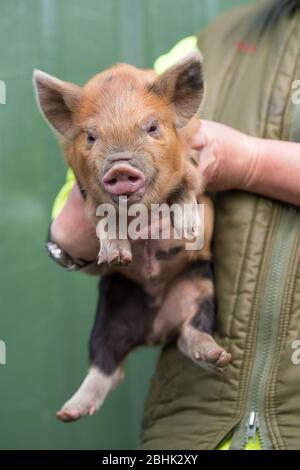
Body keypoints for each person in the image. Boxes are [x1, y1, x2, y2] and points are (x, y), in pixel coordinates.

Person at [48, 0, 300, 450]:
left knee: (193, 310)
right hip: (188, 425)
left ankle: (191, 334)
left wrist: (250, 161)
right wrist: (73, 238)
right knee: (111, 318)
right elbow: (75, 205)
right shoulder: (208, 43)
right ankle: (102, 375)